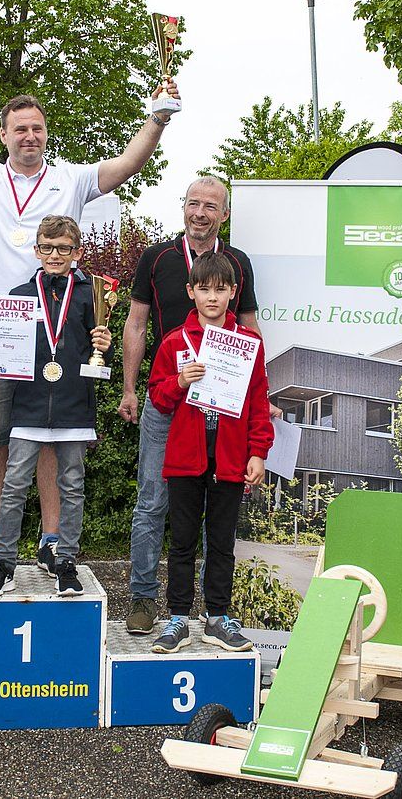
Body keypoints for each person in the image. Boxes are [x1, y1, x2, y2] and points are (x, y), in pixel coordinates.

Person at [0, 54, 179, 579]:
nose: (29, 136)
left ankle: (52, 539)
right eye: (20, 129)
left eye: (37, 128)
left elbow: (127, 165)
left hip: (61, 337)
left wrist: (158, 118)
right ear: (3, 135)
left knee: (53, 439)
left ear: (46, 133)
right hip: (1, 334)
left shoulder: (70, 179)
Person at [118, 177, 263, 635]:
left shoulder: (238, 263)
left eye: (211, 206)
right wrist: (129, 389)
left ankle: (214, 613)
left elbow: (250, 327)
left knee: (215, 526)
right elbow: (137, 324)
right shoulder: (157, 257)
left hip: (225, 415)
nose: (201, 212)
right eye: (193, 204)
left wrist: (259, 386)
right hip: (171, 405)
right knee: (153, 503)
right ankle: (146, 599)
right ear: (183, 208)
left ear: (224, 214)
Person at [0, 215, 111, 597]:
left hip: (74, 404)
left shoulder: (90, 294)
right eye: (47, 247)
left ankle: (66, 562)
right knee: (14, 486)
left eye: (64, 248)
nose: (55, 255)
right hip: (27, 406)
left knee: (73, 486)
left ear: (77, 252)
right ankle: (5, 565)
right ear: (37, 250)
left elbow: (95, 348)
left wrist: (103, 343)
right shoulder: (18, 296)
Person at [147, 252, 273, 653]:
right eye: (204, 289)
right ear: (191, 292)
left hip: (232, 457)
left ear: (234, 293)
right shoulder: (174, 342)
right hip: (186, 456)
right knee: (182, 541)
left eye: (221, 289)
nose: (213, 297)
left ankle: (217, 618)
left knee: (221, 542)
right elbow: (158, 398)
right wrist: (180, 381)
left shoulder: (249, 342)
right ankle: (178, 619)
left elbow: (257, 401)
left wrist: (259, 453)